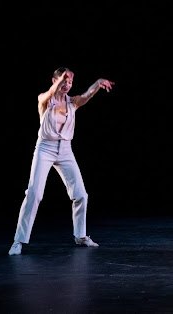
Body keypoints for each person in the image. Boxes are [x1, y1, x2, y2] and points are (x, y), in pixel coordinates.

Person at [8, 68, 115, 255]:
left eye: (70, 82)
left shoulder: (72, 102)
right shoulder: (44, 100)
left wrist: (98, 83)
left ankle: (80, 236)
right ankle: (19, 240)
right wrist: (59, 82)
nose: (67, 85)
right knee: (34, 193)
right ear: (54, 80)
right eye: (64, 81)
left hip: (65, 150)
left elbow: (87, 95)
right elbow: (50, 92)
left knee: (81, 194)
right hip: (45, 148)